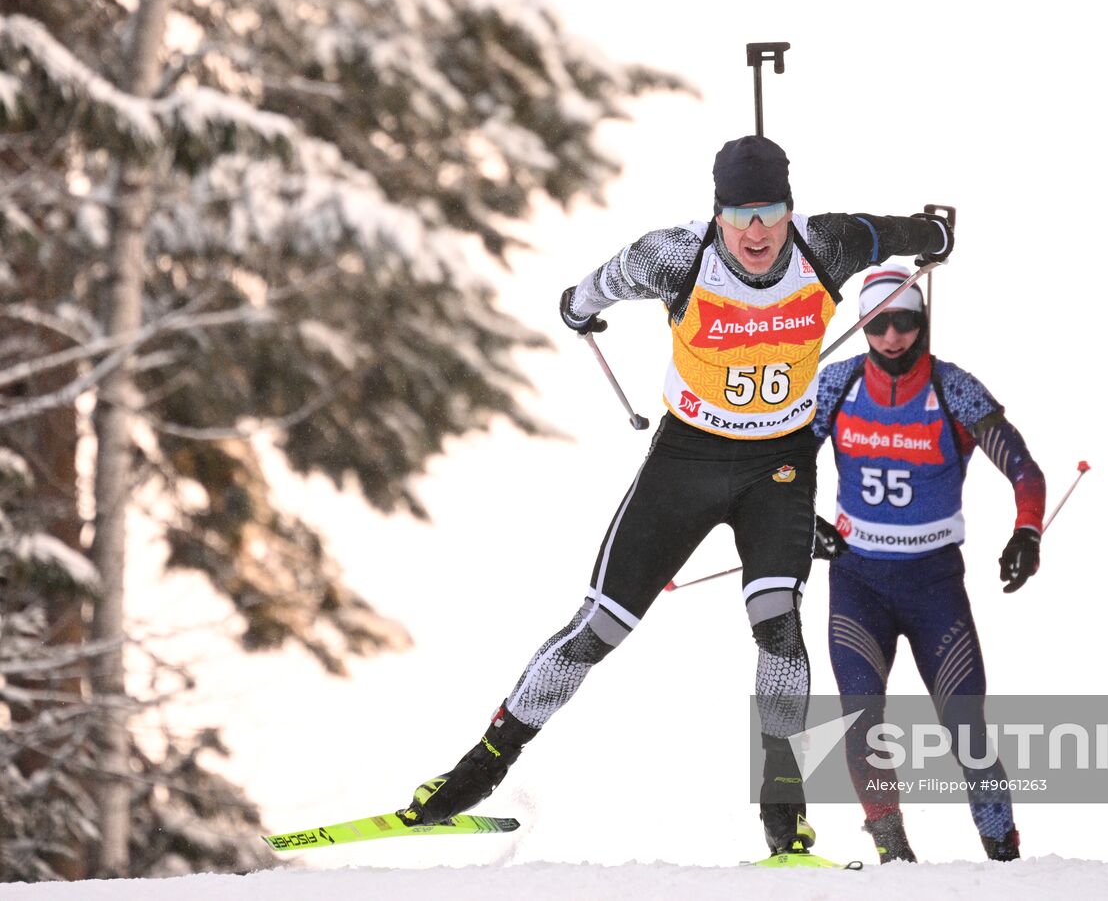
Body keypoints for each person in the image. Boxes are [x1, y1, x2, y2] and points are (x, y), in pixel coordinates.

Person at [399, 135, 955, 857]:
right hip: (685, 461)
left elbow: (892, 235)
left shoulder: (827, 246)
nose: (756, 231)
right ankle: (478, 769)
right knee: (599, 626)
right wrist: (576, 308)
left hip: (778, 468)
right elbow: (601, 282)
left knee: (777, 627)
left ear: (791, 209)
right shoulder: (677, 256)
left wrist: (935, 235)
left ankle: (784, 815)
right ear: (717, 211)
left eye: (770, 211)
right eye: (739, 212)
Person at [809, 263, 1046, 863]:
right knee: (862, 721)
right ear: (862, 326)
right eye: (878, 324)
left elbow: (1024, 469)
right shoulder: (835, 384)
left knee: (966, 726)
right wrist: (800, 524)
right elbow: (776, 467)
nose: (892, 338)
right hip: (858, 582)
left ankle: (1004, 855)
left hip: (933, 583)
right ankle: (894, 857)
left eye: (905, 322)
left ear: (923, 320)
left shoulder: (952, 388)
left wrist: (1027, 532)